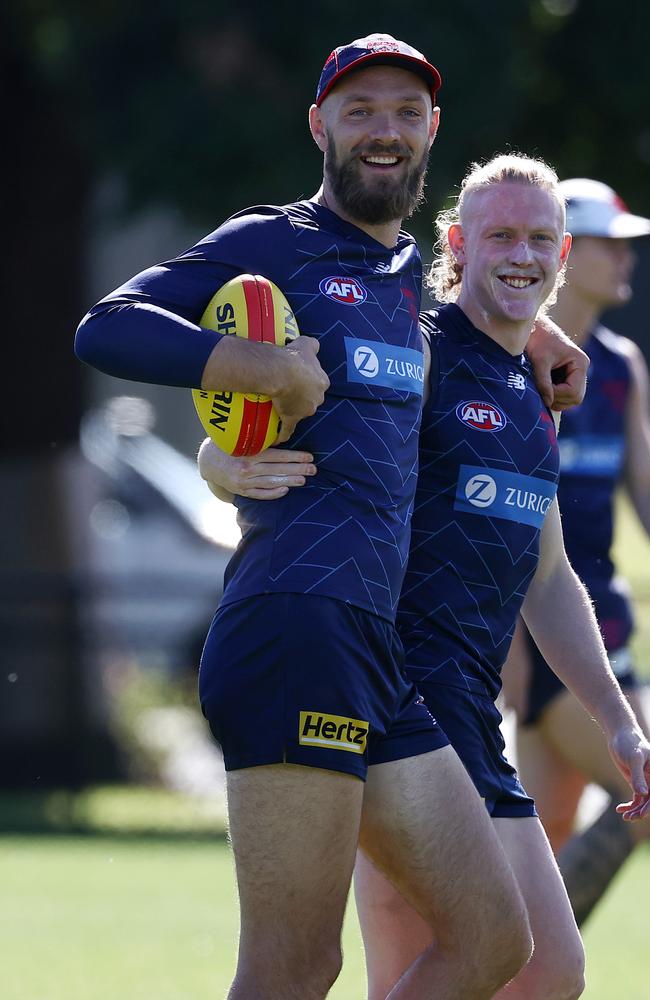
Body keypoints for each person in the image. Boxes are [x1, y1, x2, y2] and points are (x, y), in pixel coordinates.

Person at [75, 35, 589, 1000]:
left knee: (494, 941)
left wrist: (544, 328)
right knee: (296, 965)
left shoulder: (405, 272)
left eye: (405, 112)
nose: (383, 131)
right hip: (292, 621)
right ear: (321, 127)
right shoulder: (276, 242)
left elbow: (468, 294)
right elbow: (108, 326)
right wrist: (247, 370)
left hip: (377, 657)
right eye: (359, 112)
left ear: (432, 129)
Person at [198, 154, 650, 1000]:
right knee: (458, 964)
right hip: (394, 705)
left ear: (560, 255)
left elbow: (548, 578)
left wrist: (621, 726)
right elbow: (285, 415)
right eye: (501, 235)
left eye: (540, 238)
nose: (522, 253)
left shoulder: (536, 388)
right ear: (456, 244)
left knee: (543, 971)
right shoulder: (418, 350)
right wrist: (222, 459)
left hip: (468, 721)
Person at [500, 178, 650, 928]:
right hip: (539, 642)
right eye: (611, 244)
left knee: (546, 841)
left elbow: (647, 499)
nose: (627, 259)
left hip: (609, 633)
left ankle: (518, 975)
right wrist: (510, 659)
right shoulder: (516, 359)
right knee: (642, 802)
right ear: (569, 251)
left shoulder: (622, 366)